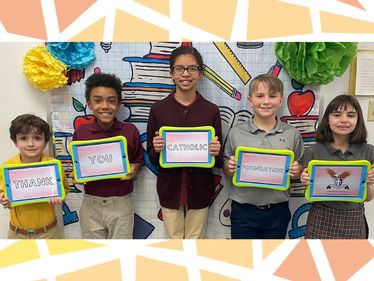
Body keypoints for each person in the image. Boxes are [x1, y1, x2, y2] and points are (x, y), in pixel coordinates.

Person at [147, 46, 222, 239]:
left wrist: (216, 151)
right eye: (179, 69)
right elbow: (152, 157)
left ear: (200, 73)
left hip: (200, 190)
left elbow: (218, 159)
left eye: (192, 68)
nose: (185, 74)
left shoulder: (211, 111)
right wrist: (156, 149)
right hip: (169, 189)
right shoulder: (158, 110)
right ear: (171, 73)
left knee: (195, 241)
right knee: (175, 242)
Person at [223, 74, 303, 239]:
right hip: (243, 210)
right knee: (243, 261)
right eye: (260, 96)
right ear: (250, 100)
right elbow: (226, 167)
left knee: (272, 261)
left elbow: (300, 169)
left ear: (280, 100)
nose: (266, 101)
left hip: (278, 210)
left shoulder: (292, 134)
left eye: (272, 96)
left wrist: (297, 171)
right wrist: (229, 167)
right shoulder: (236, 132)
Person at [73, 73, 144, 239]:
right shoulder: (81, 132)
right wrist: (76, 175)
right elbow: (78, 165)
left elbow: (138, 161)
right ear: (89, 104)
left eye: (111, 101)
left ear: (119, 104)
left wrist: (135, 168)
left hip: (121, 203)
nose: (105, 106)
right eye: (98, 100)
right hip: (91, 203)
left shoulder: (129, 131)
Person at [300, 95, 374, 239]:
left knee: (352, 261)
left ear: (358, 120)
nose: (344, 120)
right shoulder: (314, 151)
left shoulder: (368, 151)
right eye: (337, 115)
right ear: (328, 119)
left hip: (354, 219)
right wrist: (306, 180)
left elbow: (368, 198)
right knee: (316, 259)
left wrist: (370, 183)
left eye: (351, 115)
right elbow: (308, 193)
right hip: (321, 217)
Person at [0, 114, 69, 239]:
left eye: (37, 138)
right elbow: (3, 192)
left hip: (49, 233)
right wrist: (4, 198)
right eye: (24, 138)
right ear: (15, 141)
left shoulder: (54, 166)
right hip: (17, 234)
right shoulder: (7, 167)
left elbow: (64, 190)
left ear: (46, 141)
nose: (30, 144)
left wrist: (58, 197)